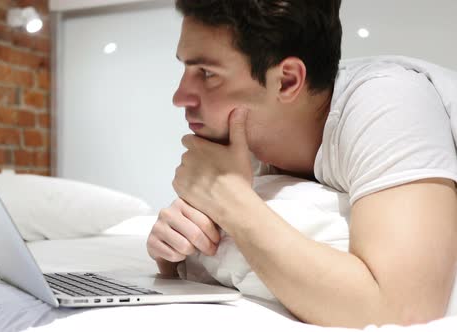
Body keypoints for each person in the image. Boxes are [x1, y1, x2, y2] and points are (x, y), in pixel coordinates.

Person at [146, 0, 457, 328]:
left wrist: (230, 201)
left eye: (207, 74)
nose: (180, 96)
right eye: (185, 69)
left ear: (287, 81)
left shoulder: (389, 103)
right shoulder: (244, 131)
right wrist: (172, 252)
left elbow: (402, 311)